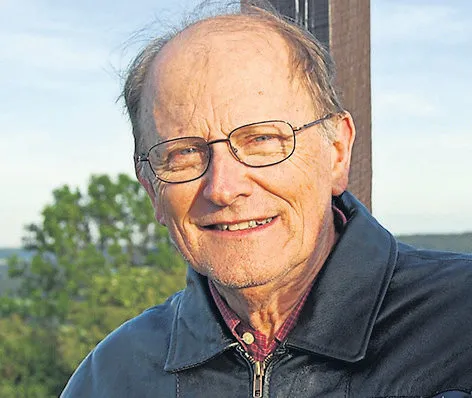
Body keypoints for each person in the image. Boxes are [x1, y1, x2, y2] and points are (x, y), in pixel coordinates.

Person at [61, 1, 472, 397]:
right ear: (152, 188)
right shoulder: (113, 376)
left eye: (262, 140)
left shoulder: (459, 325)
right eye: (183, 153)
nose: (223, 187)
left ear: (337, 152)